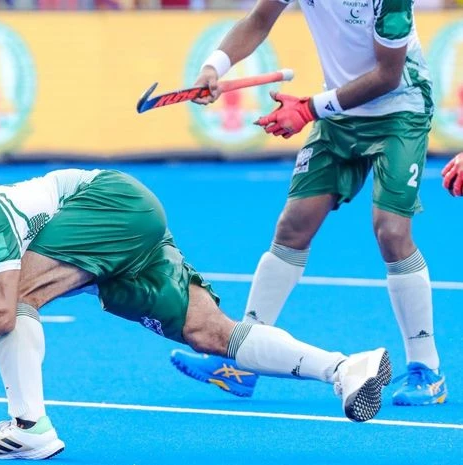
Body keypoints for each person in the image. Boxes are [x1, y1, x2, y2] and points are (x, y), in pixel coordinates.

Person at [0, 169, 391, 460]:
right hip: (116, 242)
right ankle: (345, 368)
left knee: (16, 301)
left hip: (110, 205)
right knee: (209, 332)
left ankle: (30, 429)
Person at [172, 0, 446, 407]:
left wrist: (308, 109)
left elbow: (388, 77)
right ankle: (242, 358)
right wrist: (214, 66)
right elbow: (258, 19)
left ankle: (426, 368)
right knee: (293, 226)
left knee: (391, 231)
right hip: (340, 115)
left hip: (400, 111)